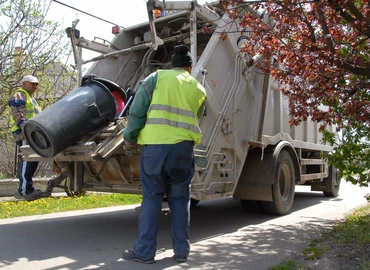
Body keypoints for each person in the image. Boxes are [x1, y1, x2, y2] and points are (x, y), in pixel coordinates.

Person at [122, 44, 207, 264]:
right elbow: (200, 113)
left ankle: (144, 252)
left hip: (155, 149)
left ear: (172, 64)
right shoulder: (198, 87)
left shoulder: (155, 78)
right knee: (180, 199)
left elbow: (137, 111)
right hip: (183, 151)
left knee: (152, 198)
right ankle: (181, 252)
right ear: (188, 67)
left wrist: (130, 137)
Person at [9, 75, 43, 200]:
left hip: (32, 134)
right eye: (32, 84)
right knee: (27, 161)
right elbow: (18, 113)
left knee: (33, 160)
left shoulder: (31, 99)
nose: (35, 86)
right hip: (24, 133)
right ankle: (24, 191)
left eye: (36, 84)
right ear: (24, 84)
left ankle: (28, 188)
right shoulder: (19, 95)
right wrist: (25, 128)